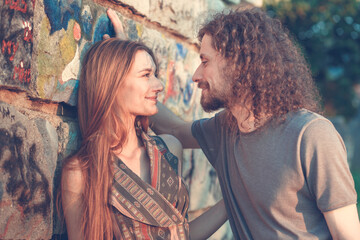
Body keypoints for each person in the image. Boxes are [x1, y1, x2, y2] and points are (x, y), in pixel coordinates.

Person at [146, 7, 360, 240]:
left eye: (205, 62)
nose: (196, 75)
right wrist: (125, 71)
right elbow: (172, 129)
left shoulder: (311, 135)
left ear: (238, 64)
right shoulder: (224, 128)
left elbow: (347, 234)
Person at [60, 36, 227, 240]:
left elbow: (181, 235)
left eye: (155, 74)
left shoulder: (168, 150)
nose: (158, 85)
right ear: (112, 83)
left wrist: (233, 199)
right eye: (146, 75)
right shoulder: (82, 171)